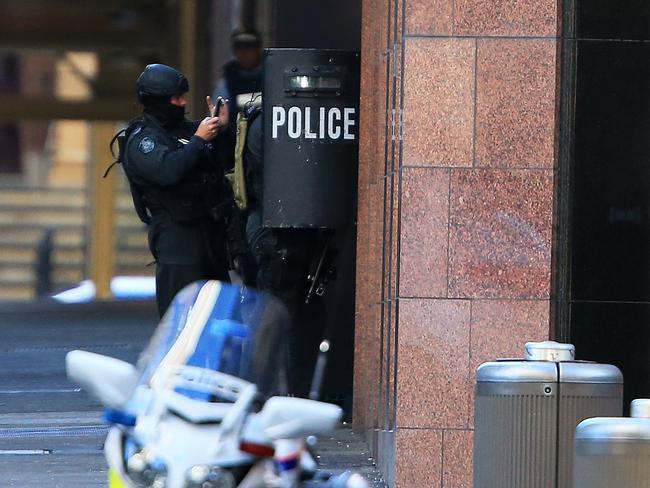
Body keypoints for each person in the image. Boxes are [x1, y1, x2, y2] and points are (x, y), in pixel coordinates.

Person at [121, 64, 234, 317]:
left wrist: (222, 130)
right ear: (158, 100)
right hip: (178, 243)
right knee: (180, 323)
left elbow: (223, 163)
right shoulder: (144, 141)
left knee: (219, 320)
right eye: (175, 98)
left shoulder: (188, 130)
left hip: (210, 241)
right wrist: (199, 140)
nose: (182, 103)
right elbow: (168, 171)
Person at [213, 29, 263, 130]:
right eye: (239, 48)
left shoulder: (269, 74)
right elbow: (217, 116)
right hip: (236, 134)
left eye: (249, 47)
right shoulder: (228, 79)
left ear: (258, 49)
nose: (244, 53)